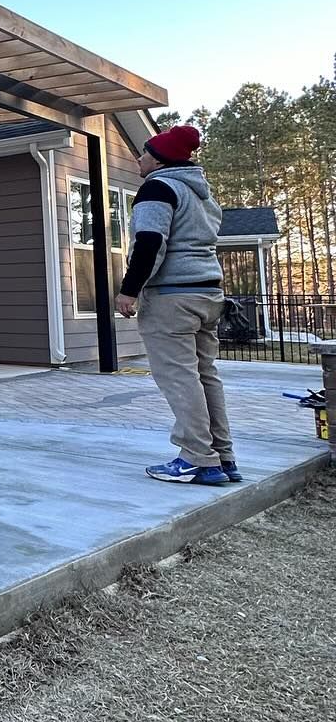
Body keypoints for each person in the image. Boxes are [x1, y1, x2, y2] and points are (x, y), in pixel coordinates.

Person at [115, 123, 240, 485]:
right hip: (207, 294)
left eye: (144, 152)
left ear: (157, 159)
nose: (138, 158)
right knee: (204, 376)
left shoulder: (157, 187)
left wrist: (130, 289)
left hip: (172, 298)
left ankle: (197, 458)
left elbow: (151, 243)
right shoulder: (202, 195)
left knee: (179, 377)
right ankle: (222, 457)